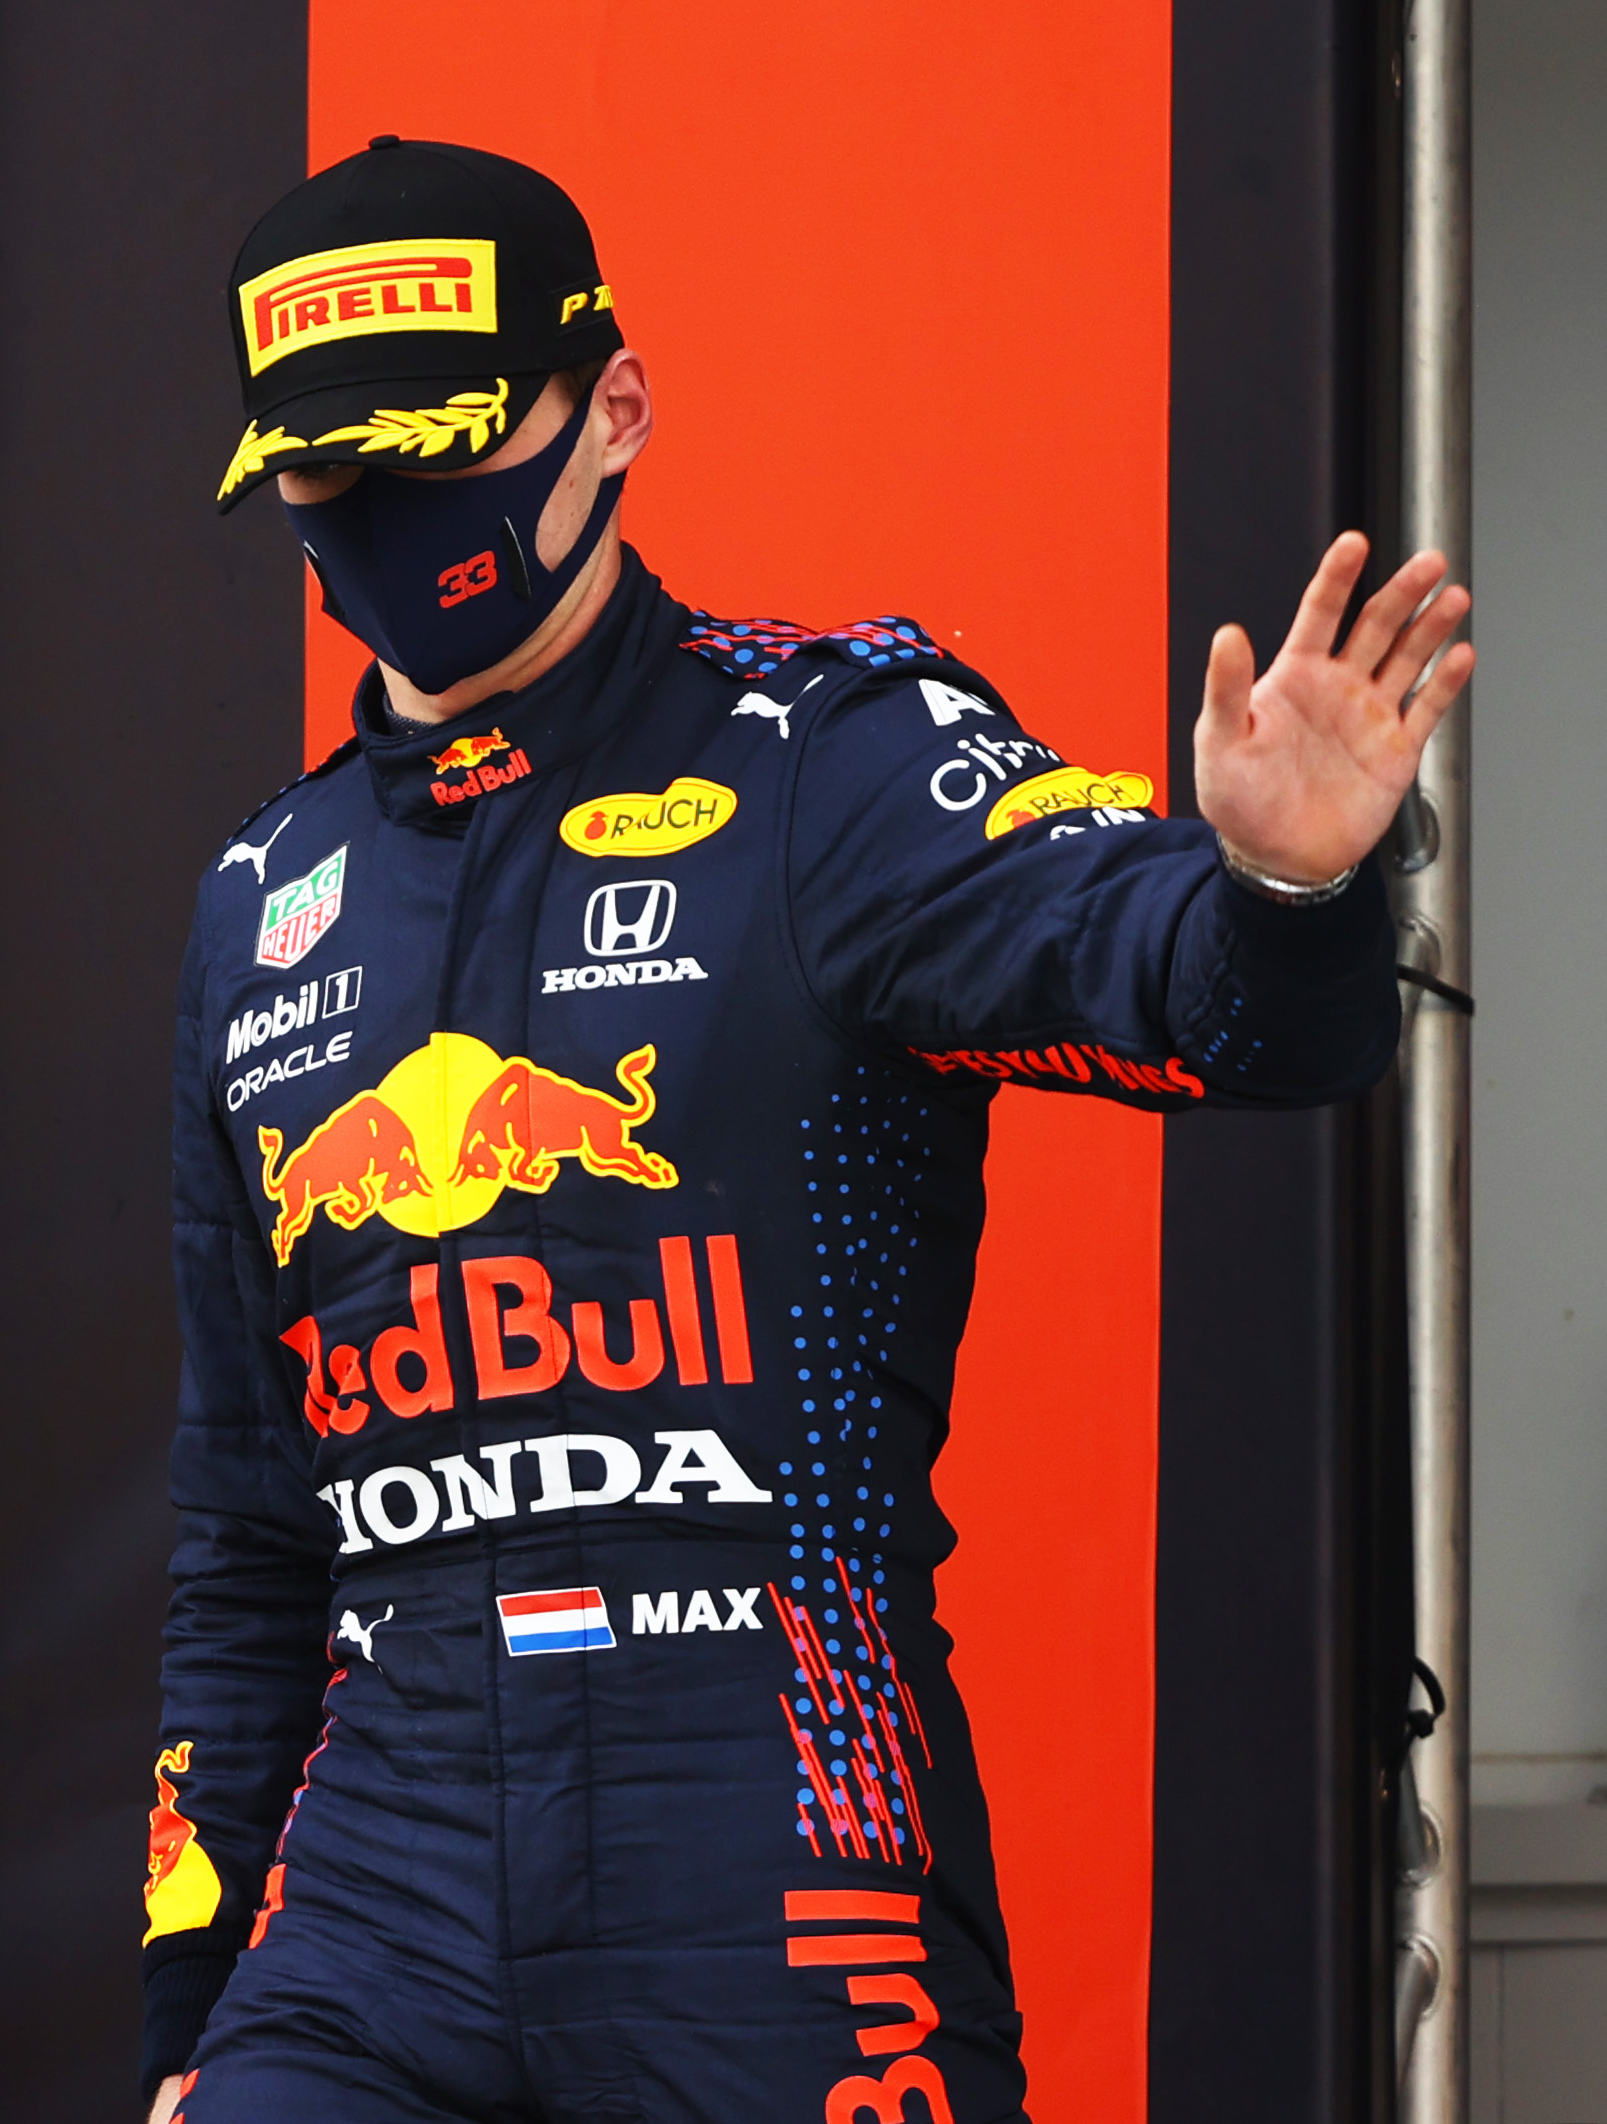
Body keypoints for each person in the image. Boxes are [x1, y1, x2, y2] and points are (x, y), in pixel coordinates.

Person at [141, 138, 1469, 2124]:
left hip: (769, 1840)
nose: (388, 515)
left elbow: (1213, 1011)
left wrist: (1284, 885)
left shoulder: (823, 759)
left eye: (435, 451)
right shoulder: (263, 897)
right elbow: (248, 1528)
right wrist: (184, 2015)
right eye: (328, 475)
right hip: (374, 1889)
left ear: (615, 411)